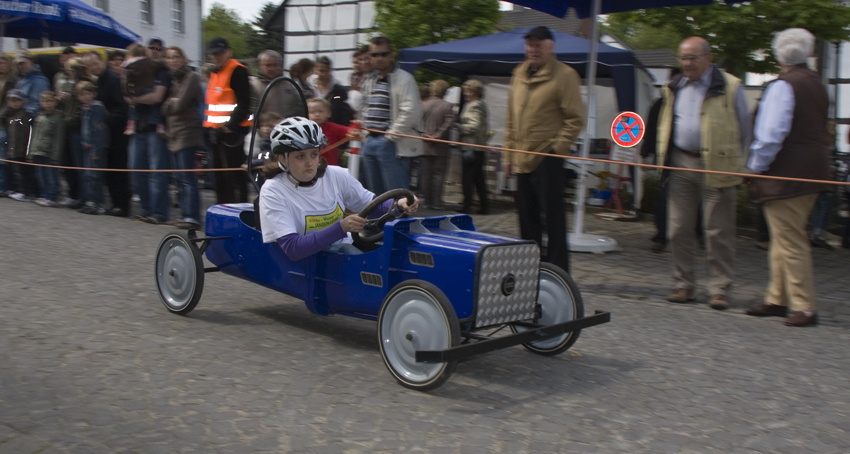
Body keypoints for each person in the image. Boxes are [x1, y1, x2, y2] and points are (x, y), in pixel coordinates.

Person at [745, 28, 832, 327]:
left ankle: (804, 305)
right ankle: (777, 298)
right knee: (783, 237)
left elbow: (771, 135)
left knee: (790, 239)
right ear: (807, 52)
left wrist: (754, 166)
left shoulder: (784, 85)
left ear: (779, 55)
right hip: (812, 170)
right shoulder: (816, 84)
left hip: (786, 173)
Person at [656, 36, 750, 310]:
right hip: (680, 162)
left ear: (708, 58)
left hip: (717, 164)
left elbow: (745, 129)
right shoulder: (675, 86)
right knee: (678, 228)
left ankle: (719, 289)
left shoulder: (730, 86)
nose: (686, 63)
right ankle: (683, 284)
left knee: (718, 230)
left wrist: (738, 162)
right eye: (682, 58)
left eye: (692, 58)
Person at [259, 117, 418, 261]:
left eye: (314, 154)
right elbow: (293, 249)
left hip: (339, 252)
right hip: (307, 262)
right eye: (300, 156)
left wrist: (399, 205)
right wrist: (341, 228)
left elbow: (374, 207)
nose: (309, 162)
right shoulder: (273, 190)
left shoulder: (336, 175)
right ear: (283, 159)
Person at [503, 26, 585, 274]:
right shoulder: (518, 73)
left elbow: (575, 118)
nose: (533, 49)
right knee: (526, 217)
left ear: (551, 47)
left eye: (539, 45)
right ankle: (530, 268)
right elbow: (510, 118)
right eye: (530, 44)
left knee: (553, 218)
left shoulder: (565, 75)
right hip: (521, 156)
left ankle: (559, 271)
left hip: (546, 156)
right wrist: (508, 153)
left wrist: (557, 149)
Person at [358, 36, 424, 194]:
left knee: (397, 195)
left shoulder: (405, 79)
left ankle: (400, 219)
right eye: (375, 55)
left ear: (391, 54)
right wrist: (364, 132)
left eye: (383, 54)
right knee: (375, 196)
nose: (379, 58)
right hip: (369, 140)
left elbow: (411, 110)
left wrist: (391, 136)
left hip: (391, 143)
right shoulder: (369, 80)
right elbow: (365, 107)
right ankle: (380, 219)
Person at [127, 43, 173, 224]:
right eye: (151, 48)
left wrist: (136, 98)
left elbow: (157, 97)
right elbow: (126, 94)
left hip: (156, 127)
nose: (154, 51)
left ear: (162, 52)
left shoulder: (163, 72)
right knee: (137, 170)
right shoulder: (138, 70)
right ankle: (146, 210)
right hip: (138, 125)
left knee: (157, 172)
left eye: (158, 48)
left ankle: (159, 212)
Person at [204, 37, 252, 204]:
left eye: (221, 52)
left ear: (228, 52)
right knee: (220, 178)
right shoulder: (215, 73)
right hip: (216, 132)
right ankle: (223, 211)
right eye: (214, 54)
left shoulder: (237, 70)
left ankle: (239, 213)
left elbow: (244, 102)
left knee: (234, 177)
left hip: (231, 133)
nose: (217, 56)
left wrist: (230, 127)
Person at [84, 51, 131, 217]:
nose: (93, 68)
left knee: (118, 168)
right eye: (90, 66)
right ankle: (116, 203)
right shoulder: (100, 80)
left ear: (101, 62)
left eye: (95, 64)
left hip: (117, 130)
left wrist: (106, 120)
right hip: (110, 129)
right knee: (111, 169)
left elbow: (121, 108)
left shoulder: (112, 79)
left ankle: (122, 205)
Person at [162, 46, 203, 230]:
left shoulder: (191, 76)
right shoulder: (175, 80)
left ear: (183, 58)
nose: (173, 60)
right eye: (169, 57)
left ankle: (192, 216)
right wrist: (172, 103)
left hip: (187, 133)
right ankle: (184, 214)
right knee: (179, 179)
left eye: (176, 56)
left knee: (188, 178)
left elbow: (180, 105)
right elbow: (164, 108)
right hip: (175, 134)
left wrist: (172, 103)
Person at [420, 79, 454, 210]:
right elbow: (448, 123)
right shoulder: (447, 106)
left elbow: (418, 122)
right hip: (440, 146)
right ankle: (436, 202)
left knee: (425, 174)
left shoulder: (424, 105)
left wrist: (424, 134)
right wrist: (437, 135)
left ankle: (427, 201)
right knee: (438, 174)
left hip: (425, 144)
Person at [458, 79, 490, 214]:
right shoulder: (476, 104)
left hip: (472, 147)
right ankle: (484, 205)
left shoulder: (475, 106)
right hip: (477, 147)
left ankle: (467, 206)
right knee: (478, 179)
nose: (465, 93)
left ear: (475, 92)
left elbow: (474, 126)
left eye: (468, 91)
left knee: (468, 179)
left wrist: (459, 127)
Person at [77, 81, 109, 215]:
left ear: (94, 94)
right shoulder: (85, 109)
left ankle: (96, 202)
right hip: (87, 146)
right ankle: (89, 201)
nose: (86, 97)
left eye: (89, 93)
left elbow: (99, 131)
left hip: (95, 147)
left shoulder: (97, 109)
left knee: (94, 176)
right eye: (83, 94)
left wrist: (97, 149)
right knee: (87, 176)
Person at [31, 91, 65, 207]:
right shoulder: (39, 117)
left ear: (55, 102)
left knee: (51, 176)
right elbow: (34, 136)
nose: (47, 104)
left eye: (50, 101)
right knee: (40, 176)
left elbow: (58, 139)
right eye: (45, 101)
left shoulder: (58, 119)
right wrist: (31, 152)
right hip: (38, 152)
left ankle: (51, 196)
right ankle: (44, 194)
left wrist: (55, 156)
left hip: (50, 153)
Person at [122, 43, 165, 136]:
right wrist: (167, 63)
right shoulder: (148, 61)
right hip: (147, 89)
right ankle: (159, 125)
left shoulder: (127, 65)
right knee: (155, 107)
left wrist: (128, 94)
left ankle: (131, 125)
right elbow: (160, 63)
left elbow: (125, 81)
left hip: (135, 90)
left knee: (134, 108)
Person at [250, 50, 304, 120]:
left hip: (288, 127)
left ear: (280, 65)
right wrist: (271, 122)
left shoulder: (289, 84)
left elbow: (299, 106)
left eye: (275, 65)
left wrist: (284, 119)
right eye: (268, 65)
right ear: (260, 65)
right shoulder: (253, 85)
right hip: (265, 129)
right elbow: (253, 110)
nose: (272, 68)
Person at [2, 90, 34, 201]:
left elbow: (25, 134)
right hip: (12, 148)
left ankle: (27, 193)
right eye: (12, 101)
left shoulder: (24, 115)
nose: (15, 103)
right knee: (17, 171)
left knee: (24, 172)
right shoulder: (10, 114)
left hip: (22, 149)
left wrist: (25, 150)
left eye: (17, 101)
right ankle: (19, 190)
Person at [242, 111, 284, 187]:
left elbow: (268, 158)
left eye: (270, 126)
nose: (266, 129)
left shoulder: (276, 143)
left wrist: (251, 163)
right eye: (263, 125)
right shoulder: (264, 142)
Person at [308, 56, 352, 126]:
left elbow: (343, 112)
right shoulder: (308, 88)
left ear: (329, 70)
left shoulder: (338, 90)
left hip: (332, 126)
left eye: (326, 71)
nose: (323, 74)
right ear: (315, 70)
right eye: (320, 71)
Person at [307, 97, 350, 166]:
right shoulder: (303, 129)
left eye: (320, 111)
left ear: (329, 113)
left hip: (330, 169)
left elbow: (350, 131)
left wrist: (356, 125)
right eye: (312, 112)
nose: (317, 114)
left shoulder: (333, 128)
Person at [14, 51, 50, 117]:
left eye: (24, 63)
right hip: (21, 116)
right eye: (19, 64)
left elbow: (38, 103)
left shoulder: (39, 80)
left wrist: (25, 116)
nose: (22, 66)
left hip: (32, 118)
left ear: (31, 61)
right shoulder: (21, 81)